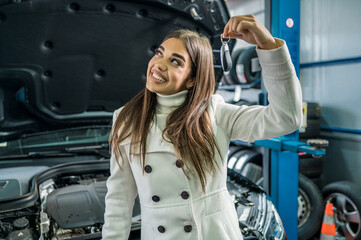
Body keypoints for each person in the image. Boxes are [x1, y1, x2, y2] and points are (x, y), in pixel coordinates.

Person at [102, 15, 303, 240]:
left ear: (191, 80)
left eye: (175, 61)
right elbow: (119, 199)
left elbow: (287, 118)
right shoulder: (126, 119)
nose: (158, 64)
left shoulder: (215, 112)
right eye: (160, 53)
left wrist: (268, 47)